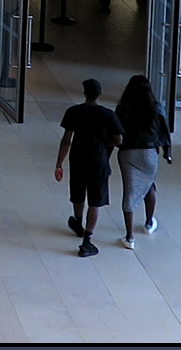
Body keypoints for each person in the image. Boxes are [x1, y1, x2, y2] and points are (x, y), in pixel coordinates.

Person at [56, 79, 123, 257]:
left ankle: (78, 221)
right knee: (95, 201)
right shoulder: (108, 115)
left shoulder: (74, 112)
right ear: (99, 94)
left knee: (78, 194)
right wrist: (103, 144)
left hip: (78, 159)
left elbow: (66, 140)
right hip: (99, 161)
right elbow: (118, 139)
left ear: (84, 93)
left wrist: (59, 163)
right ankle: (87, 240)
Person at [113, 75, 171, 249]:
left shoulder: (123, 108)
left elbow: (115, 131)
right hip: (149, 153)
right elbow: (165, 132)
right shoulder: (157, 108)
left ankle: (129, 237)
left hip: (127, 153)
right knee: (149, 186)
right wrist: (168, 153)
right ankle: (148, 223)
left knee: (130, 192)